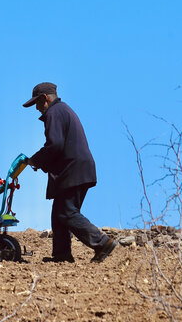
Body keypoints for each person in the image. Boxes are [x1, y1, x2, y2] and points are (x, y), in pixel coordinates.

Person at [23, 82, 117, 263]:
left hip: (73, 170)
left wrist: (35, 160)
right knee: (59, 214)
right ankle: (62, 255)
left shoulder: (54, 113)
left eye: (36, 103)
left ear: (45, 98)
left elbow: (55, 145)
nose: (36, 108)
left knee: (66, 212)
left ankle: (102, 242)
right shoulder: (62, 110)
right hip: (77, 168)